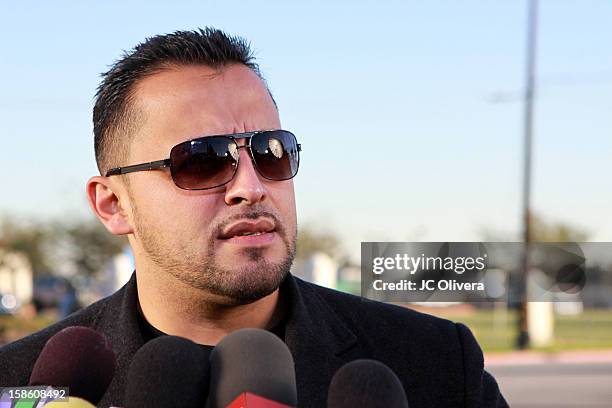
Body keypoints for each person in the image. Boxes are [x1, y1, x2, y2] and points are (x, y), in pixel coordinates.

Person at [0, 28, 508, 407]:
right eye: (201, 160)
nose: (251, 187)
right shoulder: (19, 383)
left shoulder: (435, 363)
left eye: (270, 152)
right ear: (113, 204)